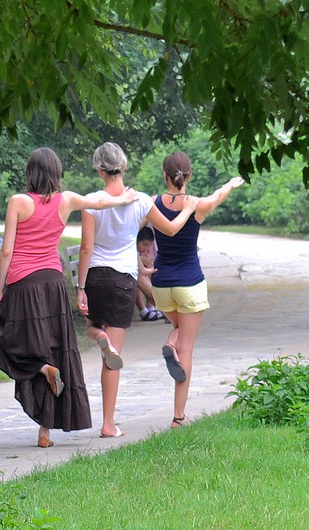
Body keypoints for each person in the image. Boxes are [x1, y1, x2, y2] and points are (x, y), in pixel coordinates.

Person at [0, 146, 136, 448]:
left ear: (30, 172)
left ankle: (42, 370)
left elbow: (6, 250)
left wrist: (0, 288)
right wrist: (124, 198)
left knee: (11, 342)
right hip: (53, 283)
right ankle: (44, 432)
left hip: (23, 283)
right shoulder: (66, 199)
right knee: (54, 348)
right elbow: (98, 201)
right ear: (57, 173)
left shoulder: (18, 202)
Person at [76, 141, 197, 438]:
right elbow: (169, 229)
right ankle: (108, 423)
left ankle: (97, 334)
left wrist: (80, 287)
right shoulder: (141, 200)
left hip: (96, 277)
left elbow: (87, 247)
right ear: (124, 166)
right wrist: (188, 209)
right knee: (113, 358)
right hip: (123, 281)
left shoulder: (92, 201)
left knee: (92, 326)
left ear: (100, 170)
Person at [150, 151, 243, 428]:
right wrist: (229, 185)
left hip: (161, 285)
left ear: (165, 175)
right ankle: (179, 417)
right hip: (190, 283)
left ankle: (170, 343)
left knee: (178, 331)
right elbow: (217, 197)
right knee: (187, 350)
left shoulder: (153, 204)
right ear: (188, 176)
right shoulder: (197, 205)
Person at [135, 227, 165, 322]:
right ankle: (163, 307)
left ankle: (153, 307)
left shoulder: (142, 254)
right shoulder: (132, 251)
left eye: (149, 246)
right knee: (138, 277)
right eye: (144, 244)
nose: (147, 249)